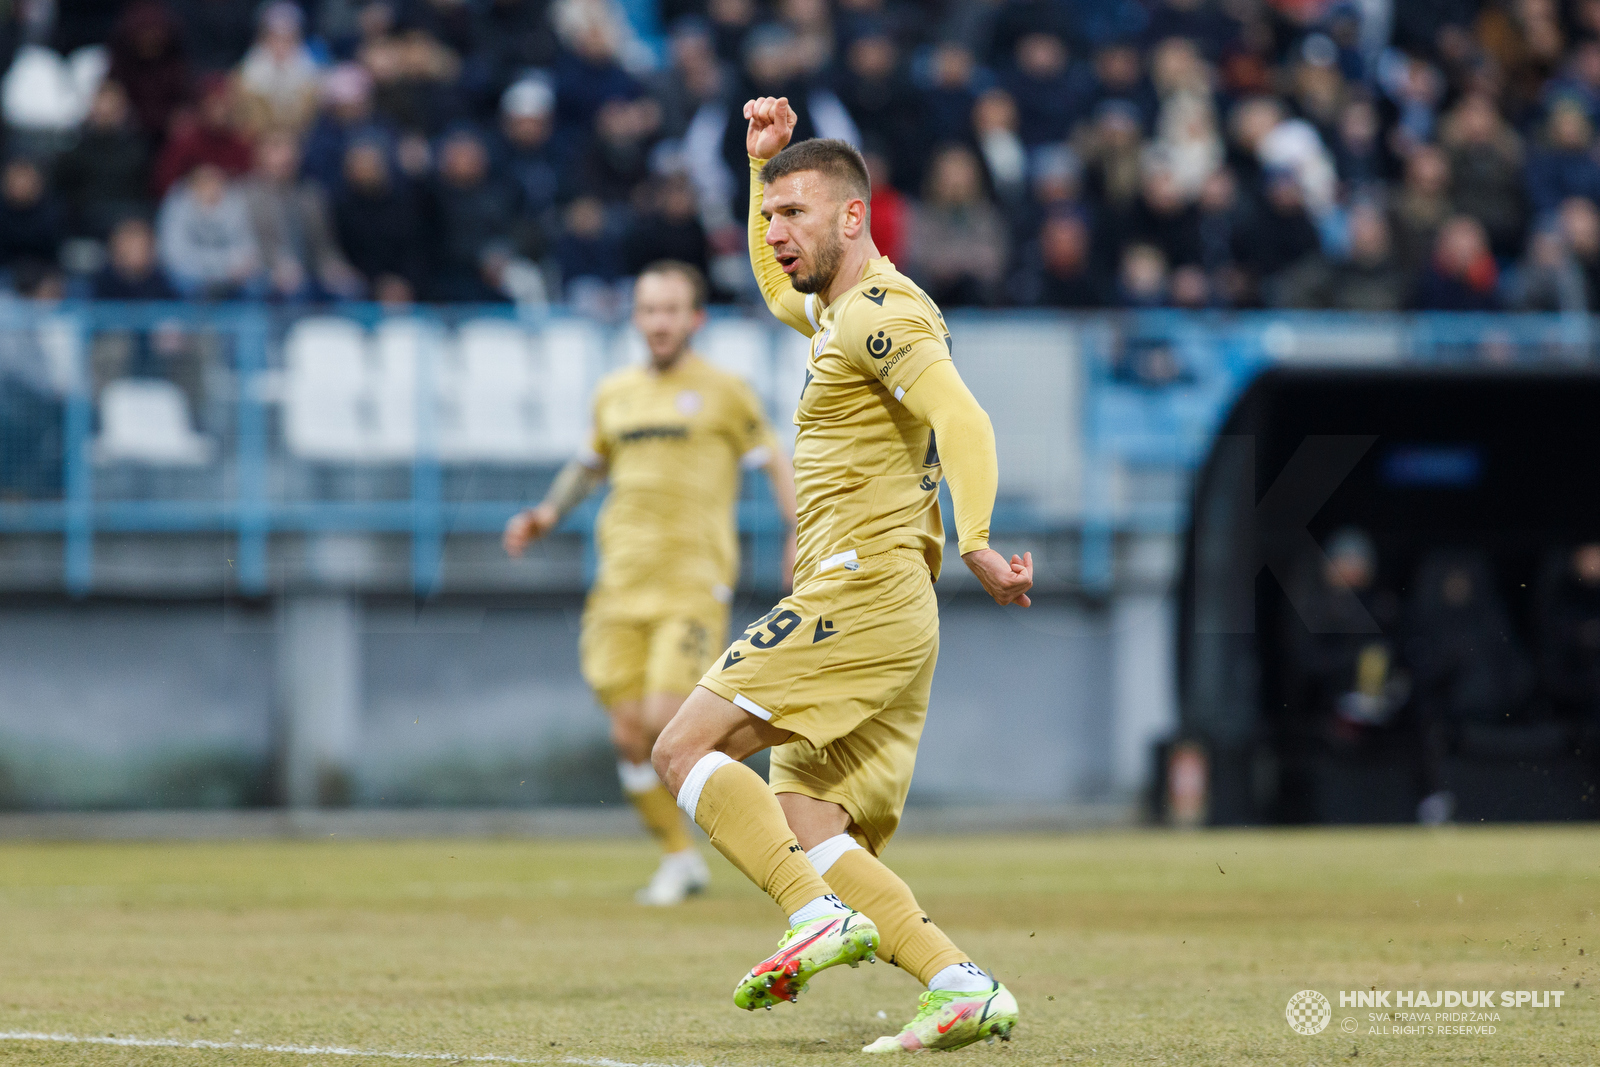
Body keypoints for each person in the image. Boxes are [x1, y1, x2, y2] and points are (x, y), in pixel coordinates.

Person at [649, 98, 1029, 1052]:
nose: (777, 236)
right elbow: (782, 296)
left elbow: (965, 418)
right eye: (770, 219)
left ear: (854, 217)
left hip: (860, 589)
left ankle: (812, 916)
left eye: (796, 215)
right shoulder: (833, 311)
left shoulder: (881, 314)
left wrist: (978, 536)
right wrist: (760, 169)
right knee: (811, 823)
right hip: (884, 602)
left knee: (682, 749)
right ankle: (958, 981)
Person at [502, 260, 797, 906]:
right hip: (619, 584)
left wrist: (798, 533)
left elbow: (776, 460)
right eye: (648, 310)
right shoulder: (616, 394)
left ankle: (781, 832)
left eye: (671, 310)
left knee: (669, 721)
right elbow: (588, 465)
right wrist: (545, 515)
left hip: (691, 581)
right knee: (629, 733)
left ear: (696, 318)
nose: (659, 322)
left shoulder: (725, 391)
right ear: (635, 318)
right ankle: (678, 857)